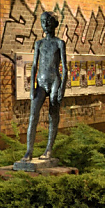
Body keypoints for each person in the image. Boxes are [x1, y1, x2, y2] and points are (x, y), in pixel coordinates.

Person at [21, 11, 67, 161]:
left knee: (53, 113)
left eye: (48, 21)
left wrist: (62, 89)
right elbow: (34, 65)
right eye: (43, 21)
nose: (45, 24)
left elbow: (65, 68)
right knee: (33, 115)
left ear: (54, 23)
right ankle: (29, 151)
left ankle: (49, 149)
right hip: (40, 83)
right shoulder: (39, 43)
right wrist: (32, 87)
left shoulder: (59, 43)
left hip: (54, 81)